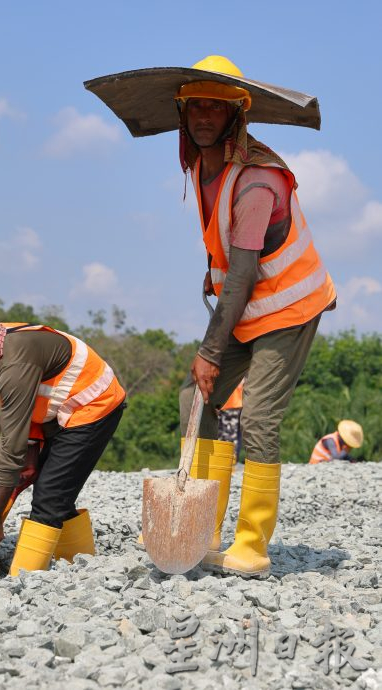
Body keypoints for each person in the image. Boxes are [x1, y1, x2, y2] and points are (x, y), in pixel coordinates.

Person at [174, 55, 337, 578]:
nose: (202, 115)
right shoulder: (202, 165)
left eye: (214, 107)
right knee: (194, 400)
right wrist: (210, 272)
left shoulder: (257, 181)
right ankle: (202, 529)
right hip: (247, 311)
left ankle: (252, 546)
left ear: (235, 116)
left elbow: (243, 277)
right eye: (194, 105)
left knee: (259, 417)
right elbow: (226, 255)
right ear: (183, 112)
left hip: (287, 308)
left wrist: (209, 351)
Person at [0, 282, 126, 576]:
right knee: (53, 486)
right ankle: (81, 565)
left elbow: (10, 446)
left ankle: (23, 582)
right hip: (60, 411)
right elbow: (25, 409)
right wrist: (31, 456)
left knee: (49, 496)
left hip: (93, 403)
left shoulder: (10, 360)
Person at [218, 378, 244, 462]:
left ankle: (229, 462)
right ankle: (227, 461)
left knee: (229, 436)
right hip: (228, 402)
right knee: (225, 435)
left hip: (231, 402)